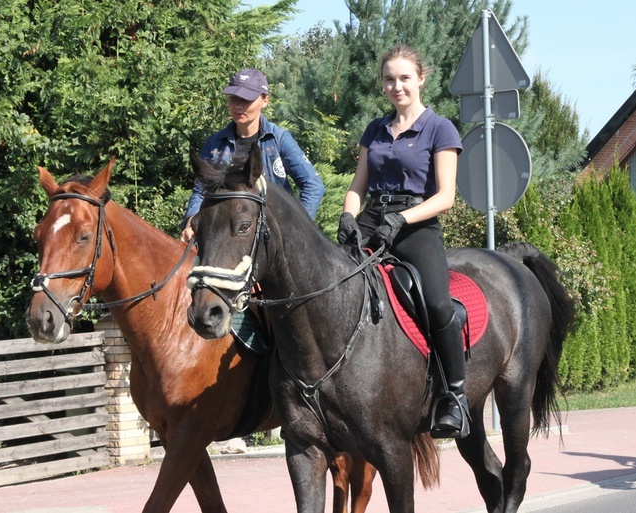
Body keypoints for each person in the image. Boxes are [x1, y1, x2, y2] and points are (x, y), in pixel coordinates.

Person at [337, 44, 468, 439]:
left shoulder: (440, 128)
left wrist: (402, 219)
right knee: (331, 287)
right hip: (373, 220)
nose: (397, 86)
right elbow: (358, 185)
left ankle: (454, 397)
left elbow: (445, 197)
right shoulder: (375, 130)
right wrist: (348, 215)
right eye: (390, 79)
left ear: (421, 79)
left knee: (436, 302)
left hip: (417, 225)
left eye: (405, 78)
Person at [180, 68, 324, 241]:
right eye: (234, 98)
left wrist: (296, 230)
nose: (238, 105)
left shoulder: (278, 139)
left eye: (246, 99)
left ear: (265, 100)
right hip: (226, 238)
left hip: (270, 242)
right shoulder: (214, 144)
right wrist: (191, 222)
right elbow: (200, 191)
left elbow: (313, 184)